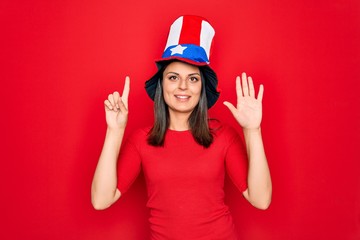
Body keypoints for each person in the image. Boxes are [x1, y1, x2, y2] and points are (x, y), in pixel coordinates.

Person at [91, 15, 272, 239]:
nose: (183, 86)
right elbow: (101, 200)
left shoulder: (223, 136)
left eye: (193, 79)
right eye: (174, 77)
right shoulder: (142, 140)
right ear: (161, 84)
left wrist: (252, 131)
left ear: (202, 88)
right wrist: (114, 131)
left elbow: (261, 199)